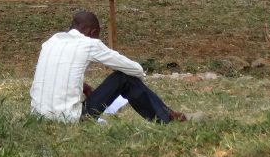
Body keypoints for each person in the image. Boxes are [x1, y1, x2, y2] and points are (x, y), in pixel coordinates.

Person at [29, 10, 186, 124]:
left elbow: (55, 73)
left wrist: (83, 87)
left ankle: (167, 114)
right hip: (71, 120)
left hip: (38, 117)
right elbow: (135, 69)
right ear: (93, 31)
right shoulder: (89, 43)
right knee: (124, 78)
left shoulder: (51, 42)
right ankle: (166, 117)